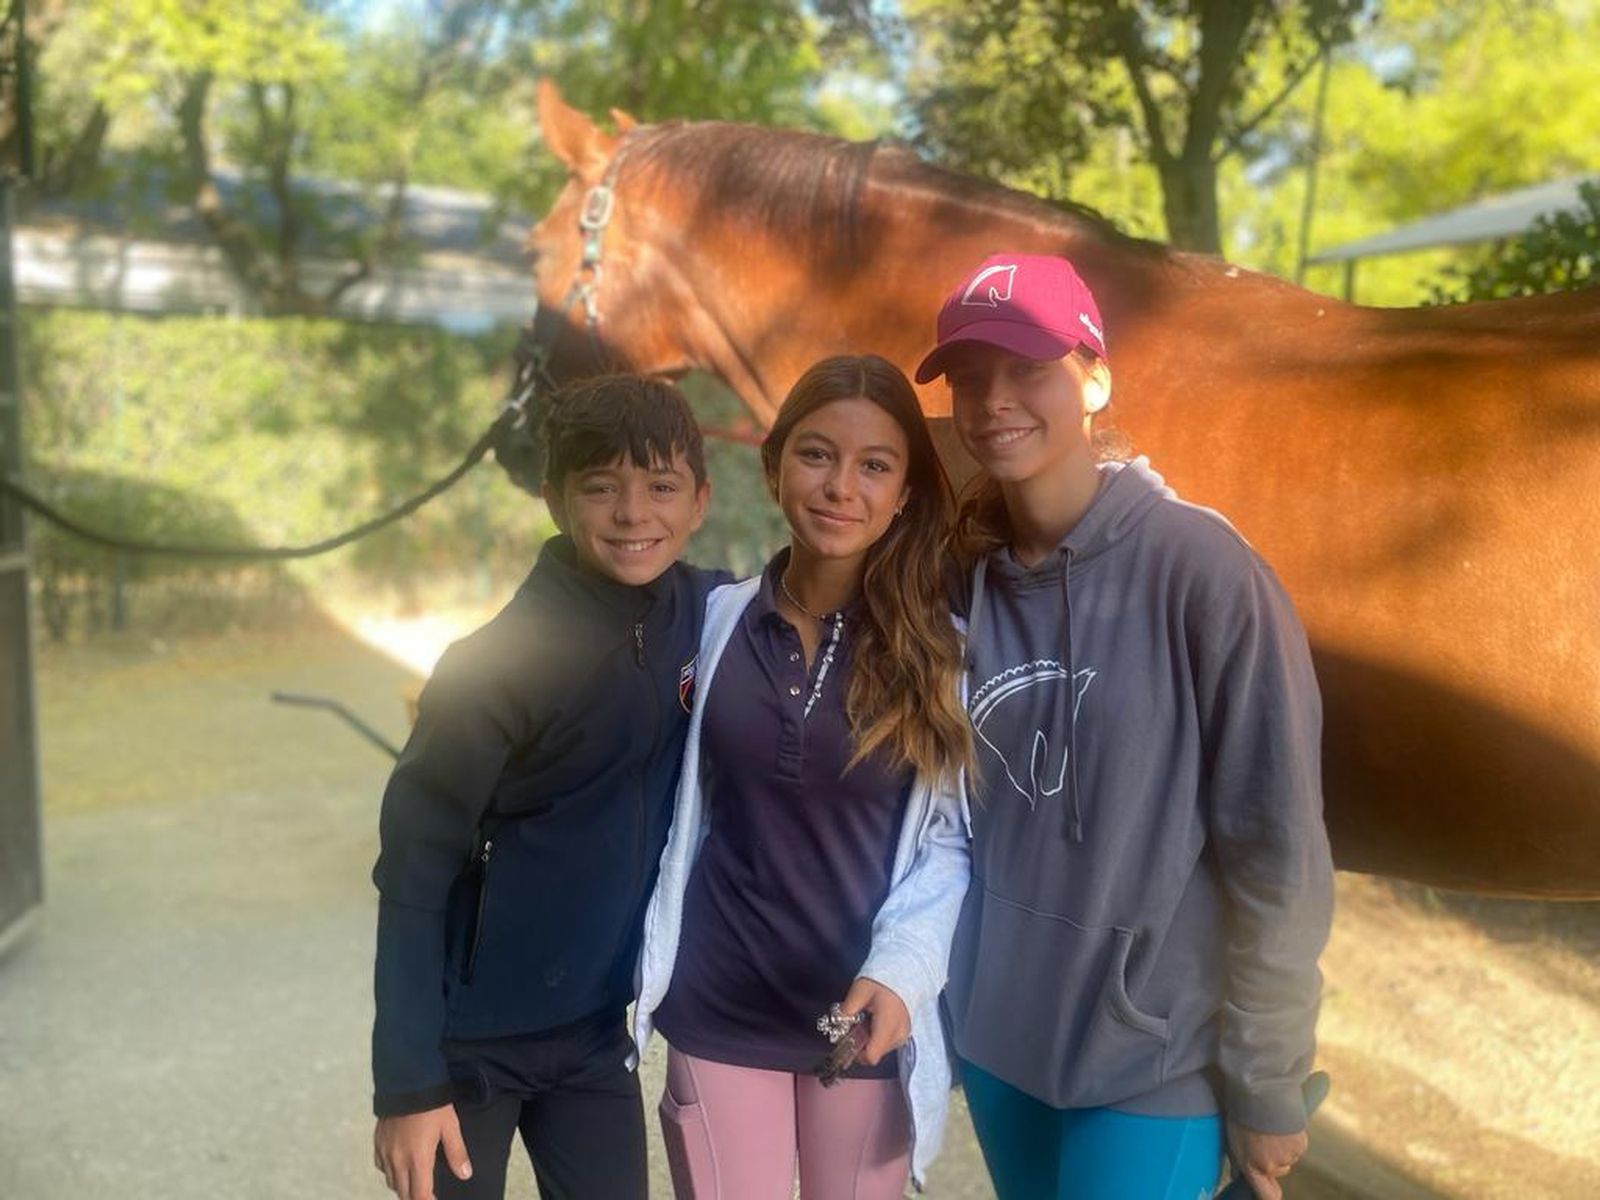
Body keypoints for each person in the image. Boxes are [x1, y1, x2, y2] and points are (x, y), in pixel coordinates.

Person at [914, 253, 1334, 1200]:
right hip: (1001, 1045)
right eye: (970, 380)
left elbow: (1278, 850)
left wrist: (1267, 1077)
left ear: (1096, 377)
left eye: (1027, 370)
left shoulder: (1206, 571)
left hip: (1150, 1060)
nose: (992, 402)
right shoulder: (961, 578)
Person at [369, 374, 727, 1200]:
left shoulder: (707, 612)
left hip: (597, 1039)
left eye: (661, 487)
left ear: (700, 500)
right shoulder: (490, 669)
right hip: (470, 1050)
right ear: (554, 499)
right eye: (601, 488)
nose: (634, 514)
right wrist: (406, 1085)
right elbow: (413, 878)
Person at [632, 355, 974, 1199]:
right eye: (817, 455)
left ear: (904, 493)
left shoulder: (944, 654)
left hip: (852, 1026)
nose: (840, 487)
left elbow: (953, 846)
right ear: (774, 462)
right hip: (718, 1014)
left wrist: (901, 970)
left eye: (875, 466)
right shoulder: (712, 624)